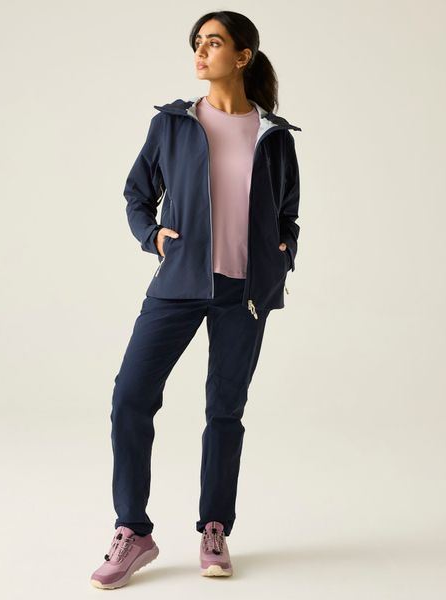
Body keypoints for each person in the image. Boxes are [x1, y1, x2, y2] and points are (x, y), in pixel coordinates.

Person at [90, 10, 301, 589]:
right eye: (197, 43)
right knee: (131, 397)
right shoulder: (173, 125)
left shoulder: (273, 135)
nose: (200, 52)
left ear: (243, 56)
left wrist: (282, 253)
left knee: (224, 411)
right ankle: (132, 530)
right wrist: (152, 236)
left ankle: (214, 528)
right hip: (178, 285)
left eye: (214, 42)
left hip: (244, 294)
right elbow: (137, 194)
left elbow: (288, 212)